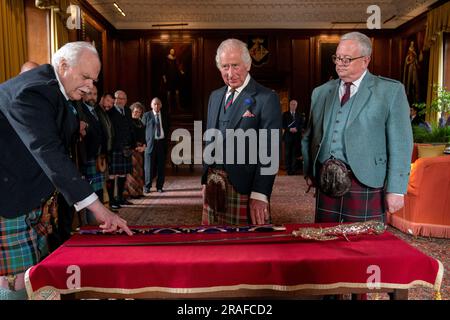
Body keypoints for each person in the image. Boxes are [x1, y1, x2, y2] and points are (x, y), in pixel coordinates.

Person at [0, 41, 132, 300]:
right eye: (85, 77)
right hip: (8, 203)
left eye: (93, 80)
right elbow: (49, 152)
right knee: (18, 285)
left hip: (28, 198)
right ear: (63, 66)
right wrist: (99, 209)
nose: (90, 86)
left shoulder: (57, 90)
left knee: (34, 277)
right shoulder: (33, 91)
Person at [301, 32, 413, 224]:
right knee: (325, 238)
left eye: (347, 59)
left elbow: (401, 143)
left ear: (366, 60)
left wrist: (396, 189)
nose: (340, 63)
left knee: (365, 245)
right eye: (337, 58)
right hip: (326, 180)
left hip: (366, 181)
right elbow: (309, 135)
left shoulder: (390, 91)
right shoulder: (320, 93)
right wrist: (309, 172)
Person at [202, 38, 282, 226]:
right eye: (225, 67)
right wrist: (205, 180)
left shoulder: (266, 98)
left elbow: (269, 151)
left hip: (244, 188)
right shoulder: (215, 96)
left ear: (248, 64)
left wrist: (260, 194)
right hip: (213, 185)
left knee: (243, 250)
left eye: (235, 66)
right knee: (211, 245)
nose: (230, 73)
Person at [107, 90, 136, 208]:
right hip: (115, 148)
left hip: (127, 147)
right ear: (114, 99)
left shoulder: (128, 111)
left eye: (122, 98)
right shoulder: (110, 112)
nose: (119, 101)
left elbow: (131, 128)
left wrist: (133, 144)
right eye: (117, 98)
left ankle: (120, 198)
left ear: (126, 100)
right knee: (112, 175)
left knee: (124, 174)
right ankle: (111, 201)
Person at [142, 97, 169, 194]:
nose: (156, 106)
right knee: (148, 166)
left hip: (161, 143)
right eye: (154, 104)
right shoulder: (146, 115)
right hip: (150, 144)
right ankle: (147, 186)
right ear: (151, 105)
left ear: (161, 105)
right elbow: (142, 130)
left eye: (158, 104)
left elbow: (167, 128)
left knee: (161, 166)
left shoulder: (165, 115)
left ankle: (159, 186)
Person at [126, 102, 146, 197]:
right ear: (131, 111)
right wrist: (135, 147)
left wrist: (144, 146)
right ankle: (133, 193)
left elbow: (144, 136)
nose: (137, 113)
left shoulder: (140, 122)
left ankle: (139, 191)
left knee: (140, 171)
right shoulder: (129, 122)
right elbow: (129, 136)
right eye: (135, 111)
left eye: (139, 112)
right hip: (132, 149)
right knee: (133, 171)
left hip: (140, 149)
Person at [282, 99, 303, 175]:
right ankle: (288, 170)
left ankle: (293, 170)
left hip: (296, 137)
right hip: (288, 137)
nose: (293, 106)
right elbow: (282, 124)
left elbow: (302, 124)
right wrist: (289, 129)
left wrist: (297, 129)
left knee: (294, 154)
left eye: (295, 104)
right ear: (289, 105)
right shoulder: (285, 114)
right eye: (292, 104)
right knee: (287, 154)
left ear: (296, 106)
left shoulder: (299, 114)